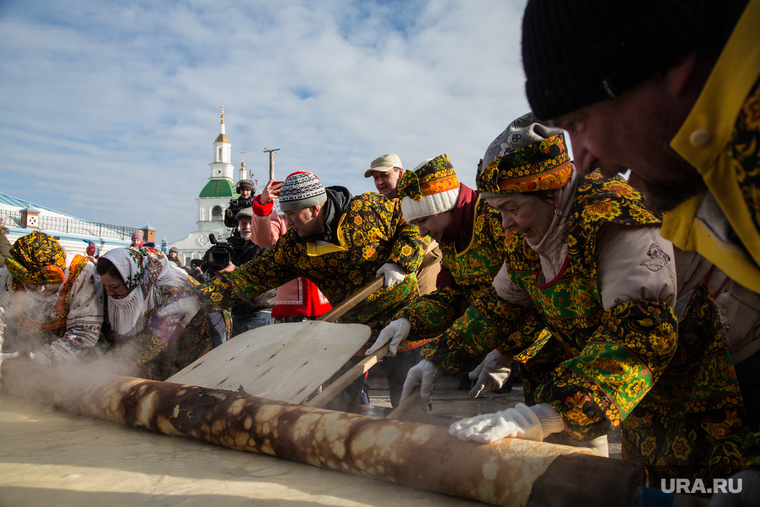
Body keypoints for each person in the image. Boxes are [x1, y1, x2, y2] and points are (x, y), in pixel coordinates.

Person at [403, 115, 753, 481]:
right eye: (497, 210)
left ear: (551, 193)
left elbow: (639, 335)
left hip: (692, 367)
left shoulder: (613, 217)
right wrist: (438, 359)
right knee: (641, 479)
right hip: (619, 380)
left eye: (511, 207)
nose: (506, 224)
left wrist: (547, 414)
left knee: (703, 483)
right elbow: (500, 305)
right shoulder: (527, 234)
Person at [162, 170, 427, 411]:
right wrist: (201, 299)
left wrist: (401, 260)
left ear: (314, 208)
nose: (287, 221)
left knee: (407, 401)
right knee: (337, 405)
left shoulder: (367, 210)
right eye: (285, 213)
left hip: (401, 318)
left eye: (292, 214)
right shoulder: (294, 247)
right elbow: (251, 277)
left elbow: (414, 219)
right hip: (351, 328)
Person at [367, 154, 516, 402]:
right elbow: (454, 297)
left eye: (423, 220)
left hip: (552, 351)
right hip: (496, 341)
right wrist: (408, 320)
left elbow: (528, 294)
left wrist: (507, 351)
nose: (422, 231)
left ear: (444, 206)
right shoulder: (447, 236)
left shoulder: (496, 219)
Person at [96, 246, 228, 380]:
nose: (109, 293)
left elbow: (153, 340)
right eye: (105, 286)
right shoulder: (129, 284)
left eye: (114, 287)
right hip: (170, 335)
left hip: (202, 331)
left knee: (191, 380)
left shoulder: (169, 289)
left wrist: (106, 366)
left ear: (132, 281)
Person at [0, 231, 104, 364]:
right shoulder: (10, 274)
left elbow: (83, 334)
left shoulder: (82, 276)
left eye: (47, 282)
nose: (41, 289)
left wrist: (41, 359)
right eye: (32, 284)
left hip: (63, 362)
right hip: (18, 349)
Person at [251, 179, 332, 322]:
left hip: (325, 307)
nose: (290, 220)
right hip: (290, 311)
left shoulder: (327, 223)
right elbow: (263, 240)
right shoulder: (282, 222)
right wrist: (263, 206)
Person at [365, 154, 442, 298]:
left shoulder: (413, 198)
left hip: (422, 270)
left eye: (384, 175)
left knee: (423, 309)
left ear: (400, 173)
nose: (380, 182)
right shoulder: (380, 208)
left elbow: (428, 235)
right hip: (397, 277)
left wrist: (401, 261)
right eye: (376, 178)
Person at [221, 207, 276, 336]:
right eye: (243, 223)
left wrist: (236, 270)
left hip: (259, 310)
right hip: (238, 310)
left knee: (255, 354)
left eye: (251, 223)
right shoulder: (234, 247)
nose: (246, 227)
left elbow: (262, 276)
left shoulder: (266, 244)